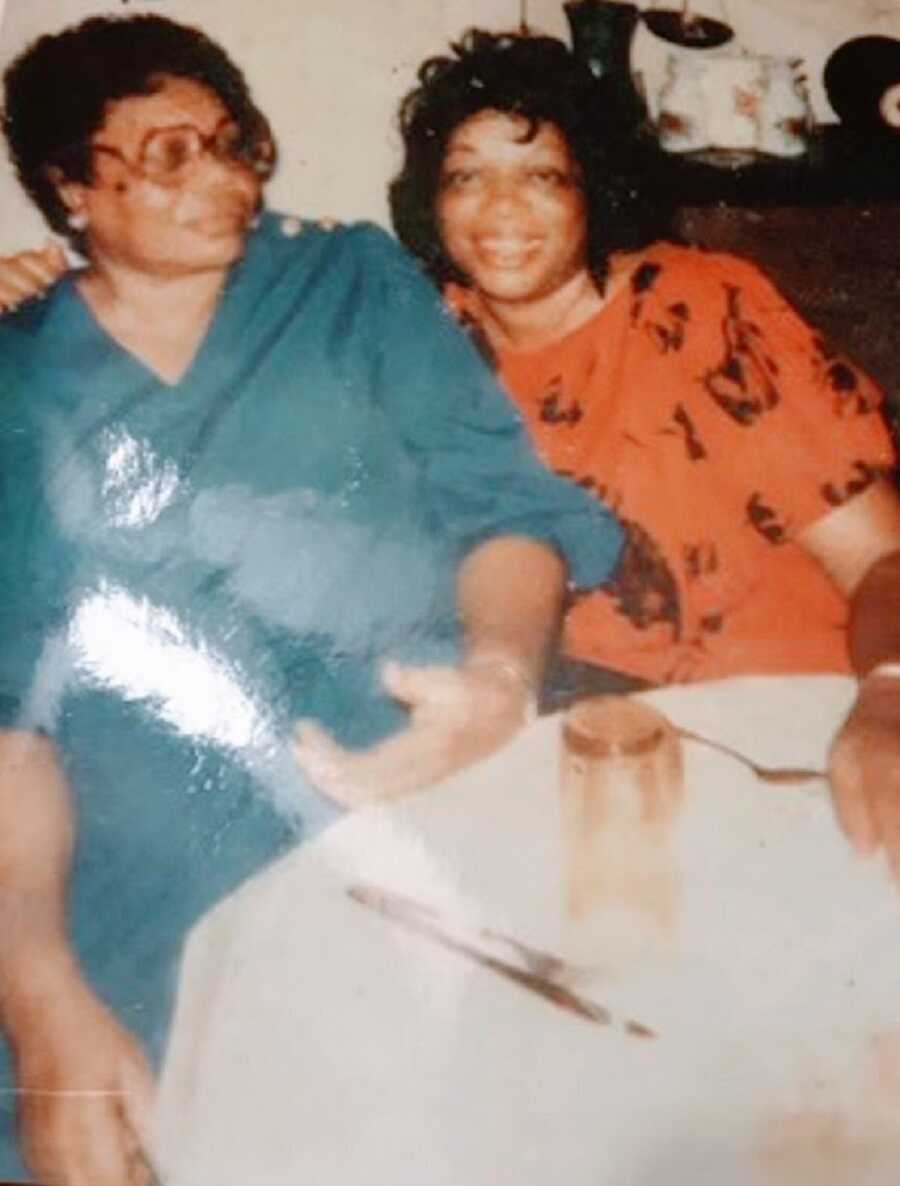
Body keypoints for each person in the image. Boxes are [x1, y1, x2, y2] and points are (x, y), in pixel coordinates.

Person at [0, 16, 624, 1185]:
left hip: (408, 784)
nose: (228, 179)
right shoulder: (18, 373)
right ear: (70, 189)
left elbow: (507, 510)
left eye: (235, 142)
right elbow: (9, 724)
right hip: (144, 852)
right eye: (170, 155)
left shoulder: (349, 282)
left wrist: (499, 678)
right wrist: (41, 1001)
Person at [386, 31, 900, 875]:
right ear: (432, 205)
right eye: (467, 176)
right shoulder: (430, 345)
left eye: (542, 175)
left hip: (800, 738)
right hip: (593, 756)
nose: (502, 209)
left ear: (595, 193)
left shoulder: (699, 312)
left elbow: (882, 559)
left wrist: (887, 697)